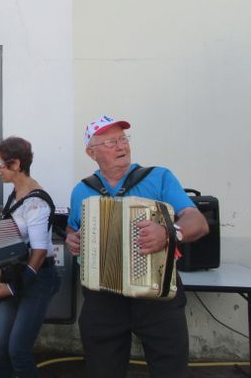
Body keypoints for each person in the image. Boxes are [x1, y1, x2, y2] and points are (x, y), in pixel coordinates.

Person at [65, 115, 209, 378]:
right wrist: (72, 239)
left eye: (123, 139)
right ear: (91, 152)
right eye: (110, 142)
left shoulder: (159, 177)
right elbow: (73, 228)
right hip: (102, 296)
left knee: (170, 371)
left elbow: (198, 222)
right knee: (102, 371)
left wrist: (169, 233)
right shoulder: (82, 190)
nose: (121, 146)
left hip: (156, 293)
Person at [0, 137, 60, 378]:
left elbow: (39, 253)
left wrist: (12, 288)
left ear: (16, 164)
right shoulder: (16, 193)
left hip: (37, 277)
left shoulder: (36, 203)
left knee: (18, 350)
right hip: (16, 274)